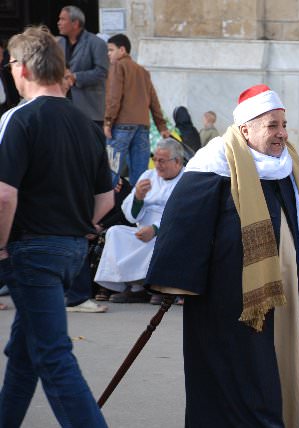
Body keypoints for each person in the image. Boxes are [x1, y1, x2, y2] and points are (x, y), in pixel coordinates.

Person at [145, 84, 299, 427]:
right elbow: (183, 224)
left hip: (288, 298)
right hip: (233, 304)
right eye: (272, 125)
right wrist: (176, 283)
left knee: (288, 370)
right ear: (246, 129)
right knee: (245, 381)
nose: (282, 133)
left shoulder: (289, 165)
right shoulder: (214, 165)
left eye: (284, 124)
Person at [0, 26, 112, 427]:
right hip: (71, 251)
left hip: (32, 251)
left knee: (52, 355)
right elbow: (106, 199)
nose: (10, 70)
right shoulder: (86, 125)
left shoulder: (20, 119)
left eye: (11, 62)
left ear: (25, 68)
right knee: (26, 352)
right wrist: (79, 223)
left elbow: (4, 196)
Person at [94, 138, 184, 303]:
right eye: (155, 159)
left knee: (163, 241)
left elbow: (183, 213)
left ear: (177, 161)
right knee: (115, 233)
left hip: (169, 230)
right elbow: (130, 214)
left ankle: (156, 286)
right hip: (142, 228)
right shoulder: (148, 175)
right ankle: (133, 287)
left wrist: (156, 229)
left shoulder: (187, 179)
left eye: (162, 161)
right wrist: (138, 198)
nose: (157, 164)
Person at [104, 33, 170, 186]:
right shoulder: (143, 71)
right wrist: (162, 126)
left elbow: (114, 97)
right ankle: (138, 208)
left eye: (110, 50)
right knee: (140, 176)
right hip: (142, 127)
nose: (108, 54)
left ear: (122, 50)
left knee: (111, 171)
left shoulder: (118, 66)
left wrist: (108, 121)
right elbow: (154, 101)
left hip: (121, 125)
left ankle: (108, 209)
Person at [66, 176, 134, 311]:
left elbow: (123, 212)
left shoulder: (120, 183)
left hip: (107, 223)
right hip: (87, 223)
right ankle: (84, 292)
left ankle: (105, 286)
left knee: (110, 235)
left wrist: (100, 225)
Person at [57, 5, 109, 125]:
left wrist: (75, 77)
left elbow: (102, 72)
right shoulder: (59, 44)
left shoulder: (96, 43)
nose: (59, 23)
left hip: (90, 108)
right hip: (64, 104)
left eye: (63, 19)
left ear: (75, 23)